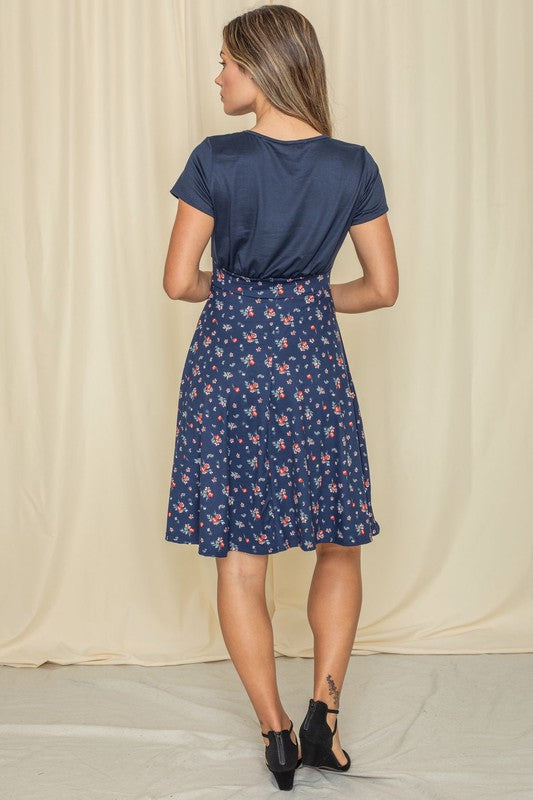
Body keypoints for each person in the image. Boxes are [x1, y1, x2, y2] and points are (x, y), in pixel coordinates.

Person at [162, 4, 398, 791]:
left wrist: (235, 293)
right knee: (339, 539)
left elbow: (176, 282)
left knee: (240, 560)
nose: (218, 75)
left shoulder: (216, 158)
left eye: (226, 61)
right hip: (312, 370)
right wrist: (302, 300)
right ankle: (322, 718)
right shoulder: (352, 164)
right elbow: (381, 288)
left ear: (261, 68)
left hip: (230, 366)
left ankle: (272, 734)